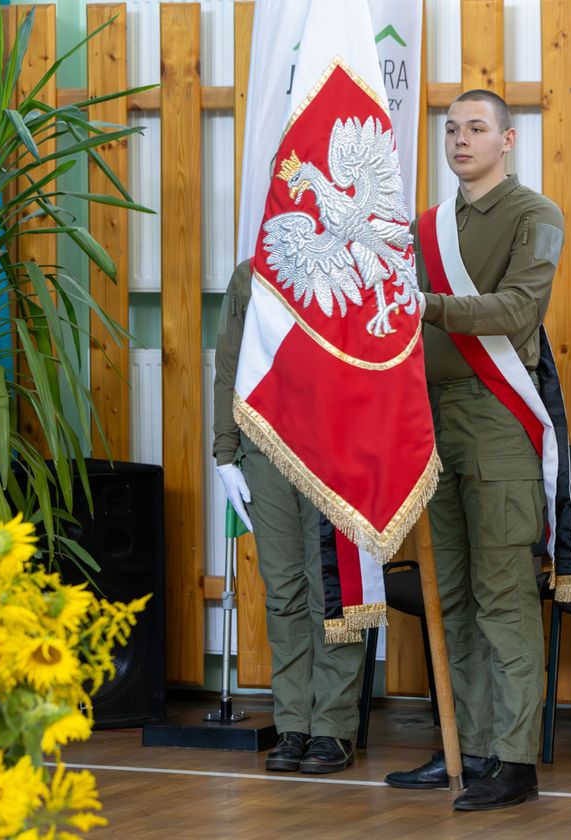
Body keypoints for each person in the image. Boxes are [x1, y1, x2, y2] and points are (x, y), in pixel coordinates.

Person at [383, 89, 565, 811]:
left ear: (508, 140)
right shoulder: (425, 228)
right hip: (430, 421)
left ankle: (515, 761)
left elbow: (520, 308)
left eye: (477, 128)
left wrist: (425, 304)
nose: (461, 140)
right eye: (452, 129)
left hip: (497, 418)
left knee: (502, 597)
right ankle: (468, 745)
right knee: (449, 595)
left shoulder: (533, 216)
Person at [213, 260, 368, 775]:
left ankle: (333, 728)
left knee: (335, 590)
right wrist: (224, 449)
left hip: (337, 446)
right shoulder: (251, 274)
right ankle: (294, 723)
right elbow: (230, 361)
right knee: (282, 591)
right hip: (266, 443)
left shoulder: (352, 260)